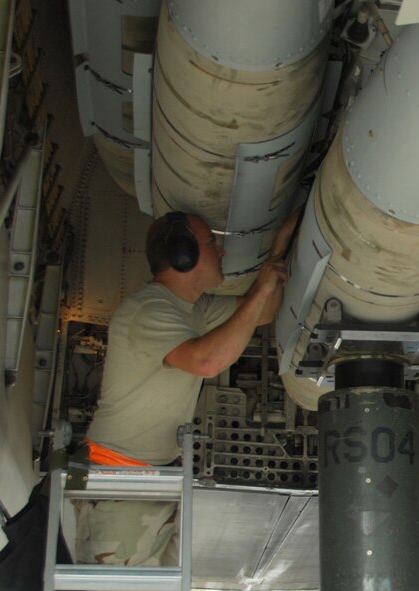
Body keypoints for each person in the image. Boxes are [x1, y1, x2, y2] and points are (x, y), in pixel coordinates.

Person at [73, 208, 299, 566]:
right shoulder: (148, 309)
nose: (221, 252)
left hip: (149, 477)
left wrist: (278, 251)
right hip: (120, 483)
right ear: (184, 254)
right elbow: (206, 361)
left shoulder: (192, 309)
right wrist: (260, 291)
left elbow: (263, 312)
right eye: (212, 244)